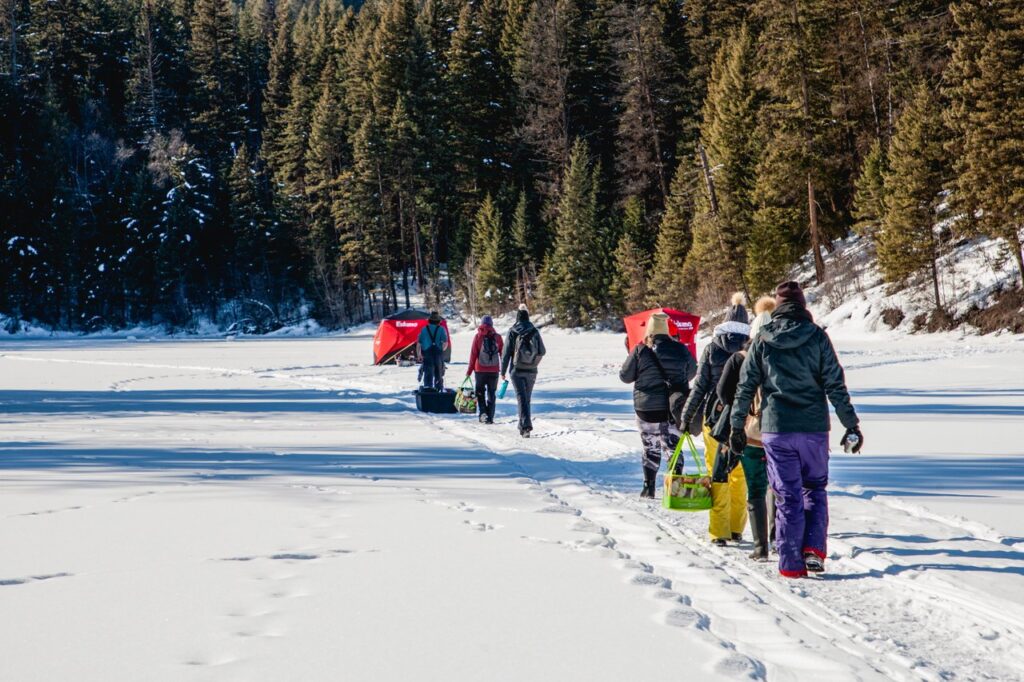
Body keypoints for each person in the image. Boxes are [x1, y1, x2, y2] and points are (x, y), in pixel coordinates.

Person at [730, 281, 863, 578]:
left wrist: (737, 425)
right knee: (814, 487)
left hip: (777, 429)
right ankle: (813, 551)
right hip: (813, 428)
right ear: (803, 306)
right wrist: (850, 423)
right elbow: (835, 384)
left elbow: (746, 386)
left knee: (787, 494)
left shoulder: (763, 339)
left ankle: (791, 564)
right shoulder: (817, 337)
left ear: (777, 307)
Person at [680, 293, 750, 546]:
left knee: (716, 471)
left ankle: (718, 530)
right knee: (739, 474)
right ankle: (736, 528)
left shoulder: (712, 348)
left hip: (714, 418)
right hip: (744, 420)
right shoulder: (752, 347)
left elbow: (699, 387)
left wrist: (687, 417)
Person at [716, 296, 776, 561]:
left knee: (755, 488)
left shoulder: (741, 357)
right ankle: (777, 537)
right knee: (778, 487)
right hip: (781, 431)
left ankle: (760, 547)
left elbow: (724, 393)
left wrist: (736, 420)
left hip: (750, 432)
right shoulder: (783, 357)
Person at [619, 312, 697, 498]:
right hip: (674, 407)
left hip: (646, 408)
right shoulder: (680, 349)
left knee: (650, 447)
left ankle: (649, 487)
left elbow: (625, 376)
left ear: (649, 332)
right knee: (673, 447)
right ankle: (676, 490)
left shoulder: (640, 350)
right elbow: (692, 372)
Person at [501, 304, 546, 437]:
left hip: (516, 369)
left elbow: (506, 353)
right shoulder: (535, 331)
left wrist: (502, 371)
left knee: (521, 398)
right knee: (527, 398)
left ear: (517, 317)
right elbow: (542, 351)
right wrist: (534, 363)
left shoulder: (512, 331)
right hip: (531, 370)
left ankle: (525, 427)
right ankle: (523, 426)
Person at [466, 315, 504, 424]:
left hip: (480, 370)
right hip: (494, 370)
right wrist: (504, 369)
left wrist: (469, 370)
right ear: (492, 324)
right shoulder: (498, 337)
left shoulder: (478, 337)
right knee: (492, 393)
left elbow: (473, 355)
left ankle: (483, 413)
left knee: (480, 392)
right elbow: (503, 354)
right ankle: (490, 417)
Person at [417, 311, 448, 391]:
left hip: (427, 355)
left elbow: (419, 344)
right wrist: (442, 351)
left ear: (429, 320)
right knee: (438, 374)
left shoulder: (424, 329)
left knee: (428, 374)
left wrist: (419, 355)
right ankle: (438, 392)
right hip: (438, 354)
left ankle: (428, 391)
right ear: (438, 321)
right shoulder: (441, 329)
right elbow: (445, 343)